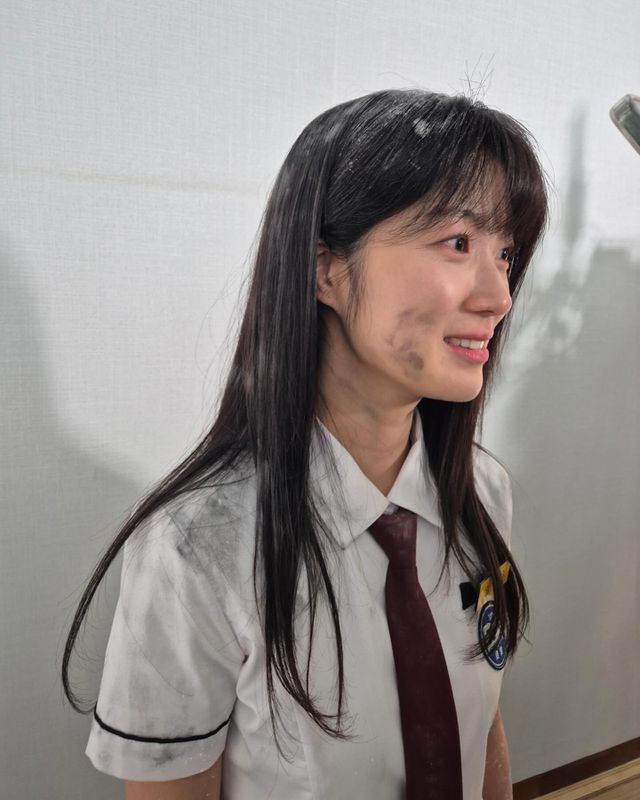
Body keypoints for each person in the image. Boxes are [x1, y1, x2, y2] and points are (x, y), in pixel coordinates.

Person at [62, 87, 549, 799]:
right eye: (458, 243)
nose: (499, 296)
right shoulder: (199, 546)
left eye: (505, 254)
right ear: (326, 269)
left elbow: (481, 719)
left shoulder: (482, 490)